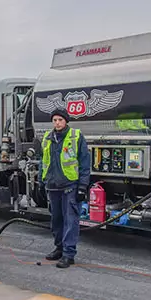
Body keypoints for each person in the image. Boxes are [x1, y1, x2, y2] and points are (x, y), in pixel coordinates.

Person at [39, 108, 90, 269]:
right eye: (54, 120)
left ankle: (69, 254)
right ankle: (59, 248)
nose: (57, 123)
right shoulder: (48, 137)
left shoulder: (75, 136)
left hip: (70, 186)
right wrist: (42, 181)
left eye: (60, 120)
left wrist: (82, 186)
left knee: (70, 221)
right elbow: (43, 161)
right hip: (53, 185)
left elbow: (84, 162)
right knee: (56, 220)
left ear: (66, 121)